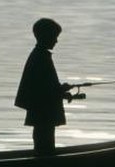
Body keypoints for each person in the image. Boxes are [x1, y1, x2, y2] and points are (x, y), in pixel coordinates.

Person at [15, 18, 75, 154]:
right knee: (45, 147)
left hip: (41, 113)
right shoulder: (41, 58)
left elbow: (44, 87)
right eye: (54, 37)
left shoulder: (39, 55)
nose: (56, 41)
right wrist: (61, 89)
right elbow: (44, 91)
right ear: (46, 36)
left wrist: (61, 92)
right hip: (43, 115)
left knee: (43, 145)